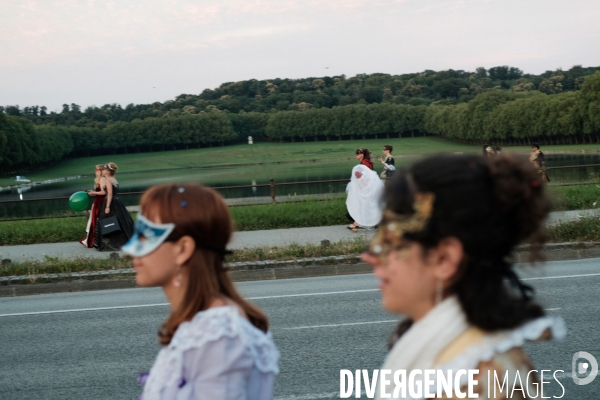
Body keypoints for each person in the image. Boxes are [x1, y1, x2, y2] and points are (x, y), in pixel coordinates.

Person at [361, 153, 565, 399]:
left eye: (391, 242)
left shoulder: (481, 382)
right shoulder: (457, 357)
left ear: (445, 259)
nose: (370, 256)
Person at [124, 183, 279, 399]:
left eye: (146, 235)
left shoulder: (218, 335)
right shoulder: (205, 327)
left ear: (183, 249)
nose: (129, 248)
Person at [94, 162, 134, 251]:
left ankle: (112, 242)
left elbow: (110, 194)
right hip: (117, 201)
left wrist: (107, 207)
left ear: (108, 171)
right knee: (120, 221)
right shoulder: (114, 180)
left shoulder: (108, 181)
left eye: (104, 169)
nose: (102, 171)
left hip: (111, 202)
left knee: (109, 221)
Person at [346, 148, 384, 231]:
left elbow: (366, 177)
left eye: (357, 153)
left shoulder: (365, 163)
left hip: (366, 189)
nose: (356, 155)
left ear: (362, 154)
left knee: (362, 205)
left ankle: (358, 223)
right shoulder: (365, 162)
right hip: (366, 188)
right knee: (364, 205)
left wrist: (358, 175)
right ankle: (361, 222)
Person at [79, 164, 106, 248]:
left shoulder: (102, 179)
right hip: (98, 200)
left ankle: (94, 239)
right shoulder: (99, 180)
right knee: (94, 219)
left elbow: (103, 192)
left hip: (100, 202)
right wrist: (93, 192)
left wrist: (93, 193)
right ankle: (95, 238)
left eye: (97, 170)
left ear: (101, 171)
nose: (95, 172)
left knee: (95, 219)